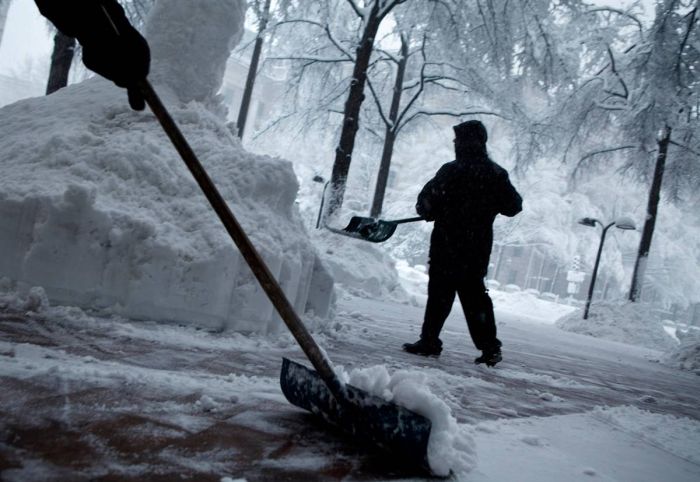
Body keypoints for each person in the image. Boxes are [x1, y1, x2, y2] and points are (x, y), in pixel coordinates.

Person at [403, 120, 522, 367]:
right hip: (475, 249)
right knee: (475, 298)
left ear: (469, 142)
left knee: (439, 296)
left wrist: (431, 209)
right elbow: (513, 205)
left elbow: (426, 201)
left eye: (458, 140)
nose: (455, 144)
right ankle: (489, 348)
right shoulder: (495, 174)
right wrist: (488, 204)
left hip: (446, 245)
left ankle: (429, 341)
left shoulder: (450, 171)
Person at [34, 0, 150, 110]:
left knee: (124, 53)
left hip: (105, 28)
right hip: (97, 31)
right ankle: (132, 83)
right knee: (97, 57)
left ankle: (132, 83)